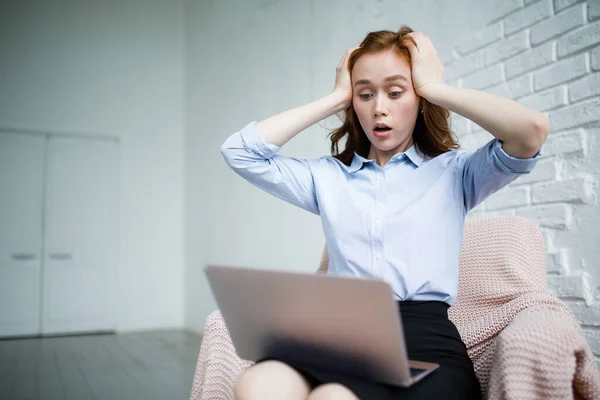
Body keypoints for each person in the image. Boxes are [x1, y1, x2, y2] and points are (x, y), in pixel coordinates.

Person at [220, 25, 549, 400]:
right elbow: (239, 152)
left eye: (396, 92)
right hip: (338, 338)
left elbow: (531, 131)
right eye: (365, 94)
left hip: (424, 342)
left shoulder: (455, 172)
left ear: (418, 98)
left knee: (333, 398)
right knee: (258, 384)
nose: (379, 107)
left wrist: (434, 88)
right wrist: (335, 97)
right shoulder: (328, 178)